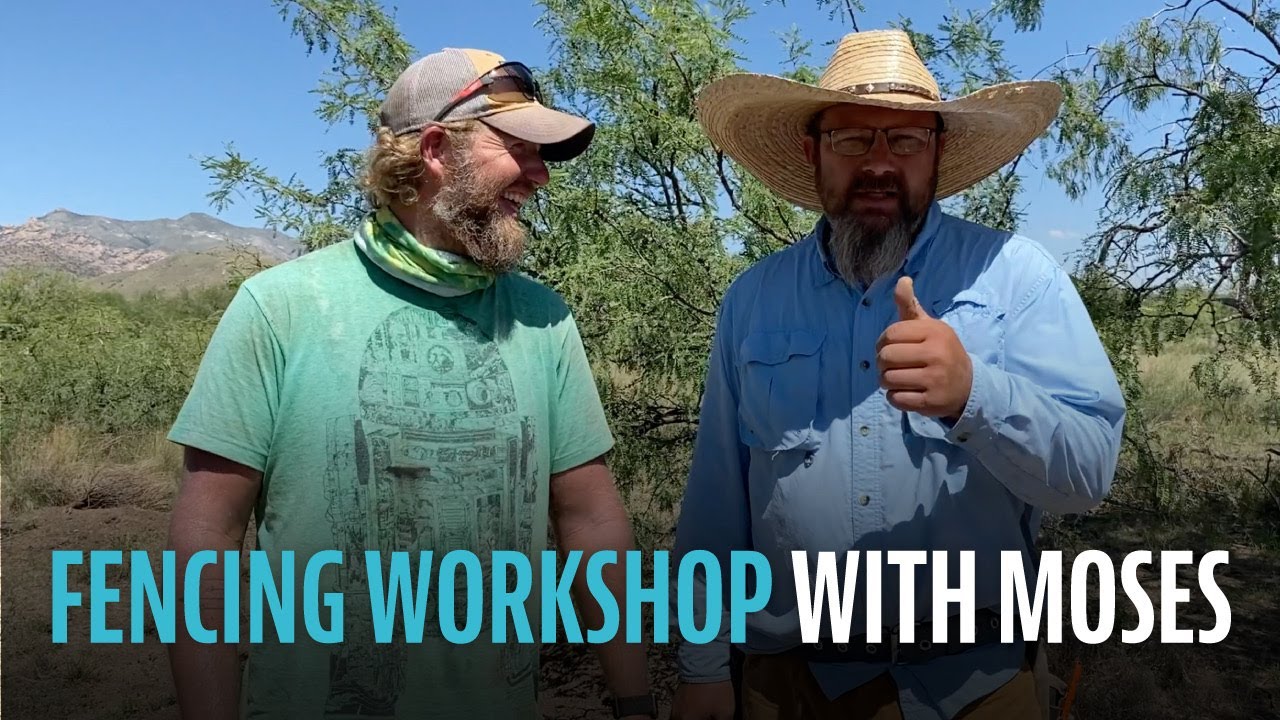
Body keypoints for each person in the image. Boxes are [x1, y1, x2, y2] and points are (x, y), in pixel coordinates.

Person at [166, 48, 656, 720]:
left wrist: (634, 699)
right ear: (434, 150)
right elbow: (206, 547)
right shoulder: (281, 307)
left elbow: (589, 520)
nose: (540, 176)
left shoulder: (543, 320)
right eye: (520, 148)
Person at [670, 29, 1125, 720]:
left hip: (980, 684)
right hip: (791, 686)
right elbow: (716, 506)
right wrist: (702, 666)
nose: (879, 163)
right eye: (853, 139)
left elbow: (1088, 474)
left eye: (906, 141)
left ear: (938, 153)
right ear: (811, 152)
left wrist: (977, 396)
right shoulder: (754, 300)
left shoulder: (1016, 277)